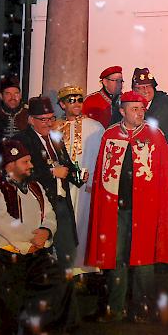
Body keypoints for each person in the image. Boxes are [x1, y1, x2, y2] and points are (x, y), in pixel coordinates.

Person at [86, 91, 168, 322]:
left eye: (142, 109)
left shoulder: (155, 135)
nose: (140, 113)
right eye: (134, 109)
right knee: (116, 256)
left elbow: (165, 176)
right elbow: (102, 174)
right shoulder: (110, 135)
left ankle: (143, 309)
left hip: (146, 208)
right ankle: (115, 309)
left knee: (144, 259)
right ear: (122, 111)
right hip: (116, 208)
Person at [0, 139, 73, 335]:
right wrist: (32, 238)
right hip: (1, 258)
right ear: (10, 164)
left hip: (34, 257)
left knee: (58, 285)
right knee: (1, 312)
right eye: (25, 161)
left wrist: (46, 233)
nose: (31, 165)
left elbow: (49, 215)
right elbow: (1, 221)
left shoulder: (36, 186)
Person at [13, 96, 82, 270]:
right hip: (40, 205)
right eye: (43, 119)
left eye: (51, 118)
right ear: (31, 120)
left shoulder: (56, 137)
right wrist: (51, 172)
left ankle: (65, 290)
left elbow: (66, 163)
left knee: (68, 253)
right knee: (41, 255)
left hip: (61, 201)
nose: (49, 123)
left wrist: (78, 176)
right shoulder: (22, 140)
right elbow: (21, 173)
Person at [54, 85, 105, 274]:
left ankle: (84, 268)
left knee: (84, 223)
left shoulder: (95, 127)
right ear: (62, 104)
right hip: (61, 186)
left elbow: (101, 157)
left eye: (79, 100)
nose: (76, 104)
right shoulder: (54, 128)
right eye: (71, 100)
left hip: (86, 186)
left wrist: (94, 182)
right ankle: (64, 267)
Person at [131, 67, 168, 147]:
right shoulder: (128, 106)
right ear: (134, 91)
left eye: (148, 86)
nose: (146, 90)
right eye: (141, 87)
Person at [0, 76, 29, 159]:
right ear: (1, 96)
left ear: (20, 95)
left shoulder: (28, 115)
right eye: (8, 94)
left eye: (16, 93)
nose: (13, 97)